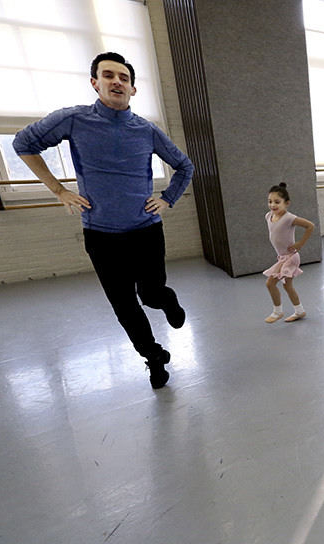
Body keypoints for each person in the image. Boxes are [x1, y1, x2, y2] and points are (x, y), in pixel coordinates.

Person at [13, 52, 194, 389]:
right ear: (95, 83)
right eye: (108, 75)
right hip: (101, 235)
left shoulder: (146, 131)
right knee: (125, 306)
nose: (116, 82)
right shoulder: (74, 119)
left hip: (146, 231)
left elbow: (185, 166)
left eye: (123, 78)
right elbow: (23, 143)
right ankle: (154, 357)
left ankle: (166, 300)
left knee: (151, 295)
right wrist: (58, 190)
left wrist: (167, 198)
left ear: (133, 90)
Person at [263, 182, 315, 323]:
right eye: (270, 201)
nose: (273, 205)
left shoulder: (289, 218)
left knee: (270, 283)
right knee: (287, 285)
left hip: (291, 257)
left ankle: (277, 312)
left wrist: (300, 243)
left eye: (277, 202)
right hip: (282, 257)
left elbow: (310, 226)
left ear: (287, 203)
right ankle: (299, 311)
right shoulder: (269, 216)